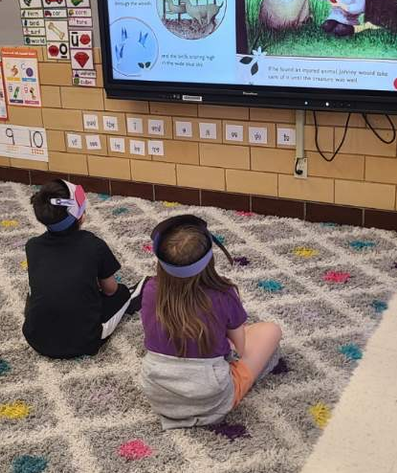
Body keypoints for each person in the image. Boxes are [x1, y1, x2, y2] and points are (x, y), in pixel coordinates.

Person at [140, 214, 282, 430]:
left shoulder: (150, 289)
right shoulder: (224, 294)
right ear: (210, 258)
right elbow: (241, 349)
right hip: (212, 398)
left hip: (159, 395)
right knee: (270, 331)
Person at [23, 179, 144, 359]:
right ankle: (136, 294)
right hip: (85, 340)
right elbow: (110, 290)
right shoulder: (94, 245)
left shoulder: (32, 246)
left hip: (36, 339)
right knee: (123, 293)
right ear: (80, 215)